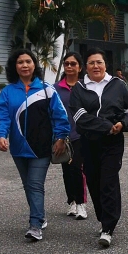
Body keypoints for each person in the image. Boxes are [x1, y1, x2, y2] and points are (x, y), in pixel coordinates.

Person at [0, 49, 70, 241]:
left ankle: (35, 225)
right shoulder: (7, 92)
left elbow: (60, 116)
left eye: (28, 61)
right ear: (15, 67)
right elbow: (3, 118)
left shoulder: (47, 90)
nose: (24, 65)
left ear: (34, 65)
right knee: (28, 185)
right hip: (18, 149)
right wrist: (1, 136)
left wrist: (61, 137)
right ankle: (40, 215)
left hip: (42, 148)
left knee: (35, 185)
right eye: (20, 62)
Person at [70, 48, 128, 248]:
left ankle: (108, 227)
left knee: (108, 181)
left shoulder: (118, 85)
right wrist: (108, 127)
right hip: (89, 143)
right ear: (86, 67)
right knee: (94, 181)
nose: (96, 66)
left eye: (99, 62)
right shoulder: (79, 88)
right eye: (91, 63)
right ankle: (103, 219)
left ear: (105, 64)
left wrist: (123, 124)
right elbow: (80, 118)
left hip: (113, 144)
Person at [54, 52, 88, 220]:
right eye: (66, 63)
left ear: (80, 67)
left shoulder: (85, 86)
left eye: (73, 64)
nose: (69, 66)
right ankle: (72, 202)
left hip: (81, 135)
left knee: (77, 169)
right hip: (62, 135)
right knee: (66, 170)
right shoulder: (56, 89)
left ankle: (81, 204)